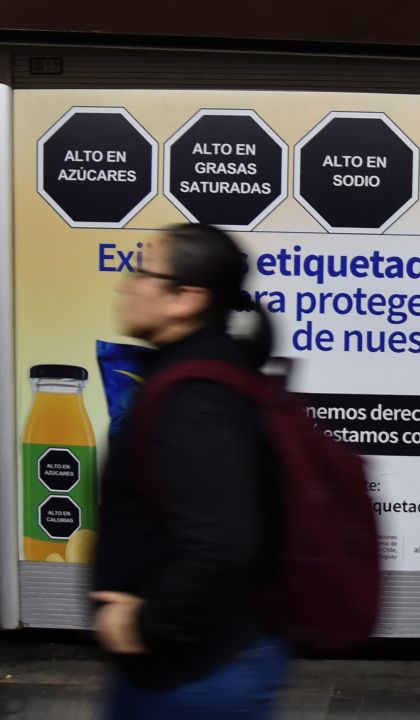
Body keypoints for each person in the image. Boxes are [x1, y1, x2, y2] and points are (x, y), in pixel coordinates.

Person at [92, 223, 287, 718]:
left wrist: (145, 625)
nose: (127, 282)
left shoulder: (194, 397)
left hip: (198, 675)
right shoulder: (193, 370)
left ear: (186, 299)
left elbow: (223, 544)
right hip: (182, 669)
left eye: (142, 271)